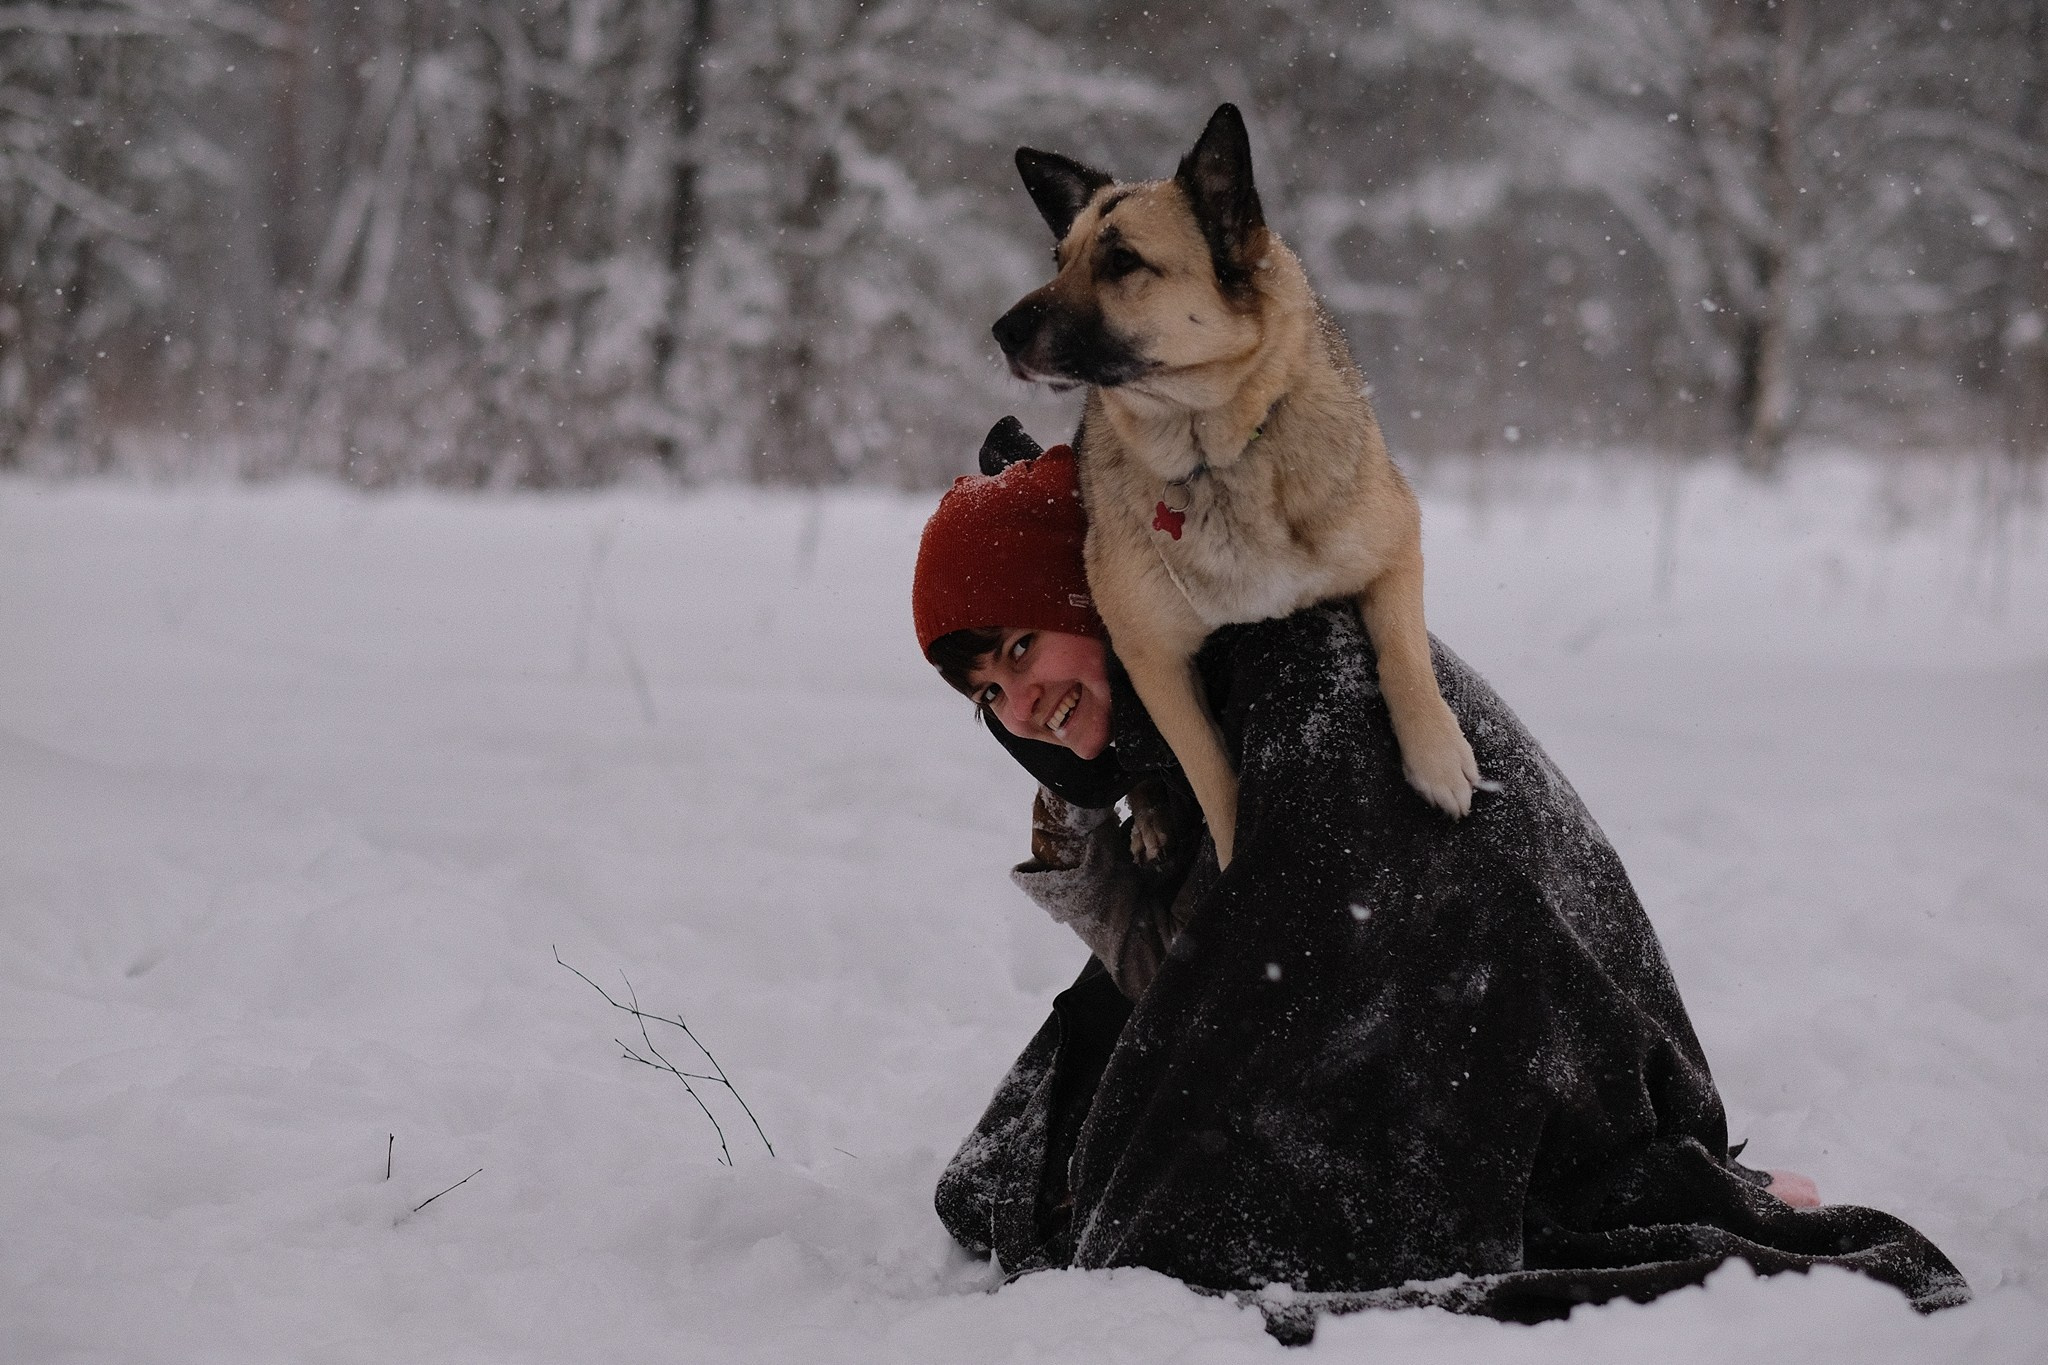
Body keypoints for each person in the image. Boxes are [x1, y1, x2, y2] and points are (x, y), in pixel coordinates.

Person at [910, 424, 1966, 1344]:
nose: (1016, 703)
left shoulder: (1299, 673)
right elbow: (1190, 969)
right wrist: (1085, 818)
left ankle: (1592, 1181)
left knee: (1165, 1240)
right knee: (1041, 1176)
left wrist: (1147, 1194)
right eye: (987, 692)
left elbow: (1286, 949)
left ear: (1095, 593)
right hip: (1460, 1026)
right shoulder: (1202, 685)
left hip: (1527, 1054)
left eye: (1018, 643)